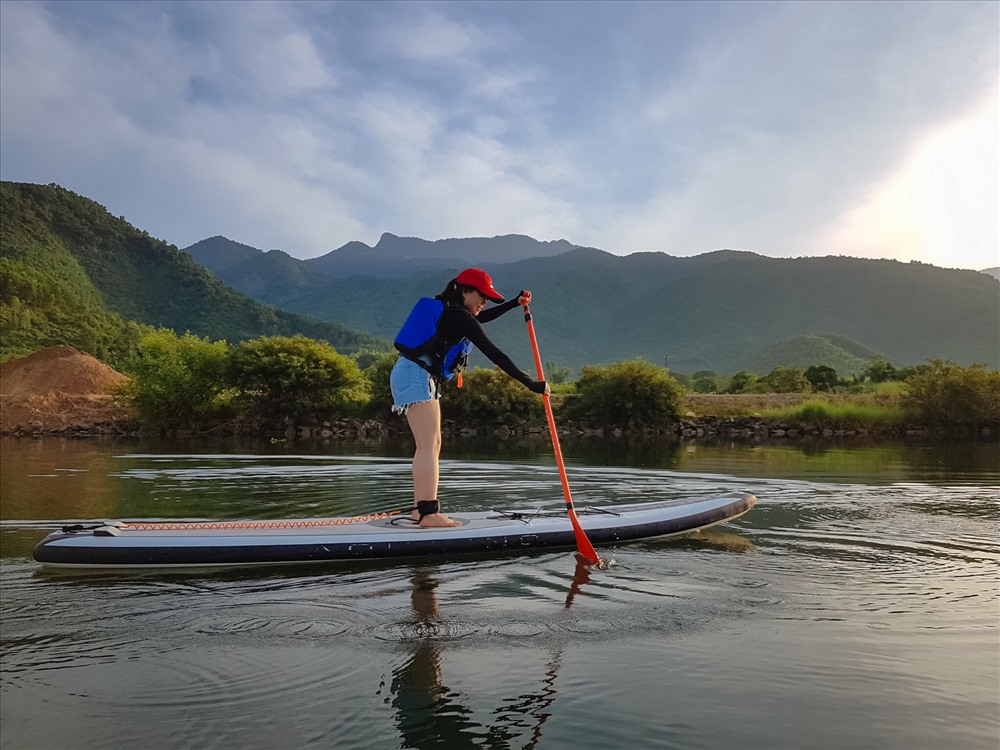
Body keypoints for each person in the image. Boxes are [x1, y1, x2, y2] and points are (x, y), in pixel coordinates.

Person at [391, 267, 549, 527]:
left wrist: (512, 303)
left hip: (415, 374)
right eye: (482, 296)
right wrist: (532, 384)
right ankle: (429, 514)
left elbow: (480, 318)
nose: (484, 302)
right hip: (416, 375)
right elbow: (495, 353)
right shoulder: (459, 317)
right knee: (428, 446)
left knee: (432, 444)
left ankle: (421, 511)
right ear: (464, 291)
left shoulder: (450, 309)